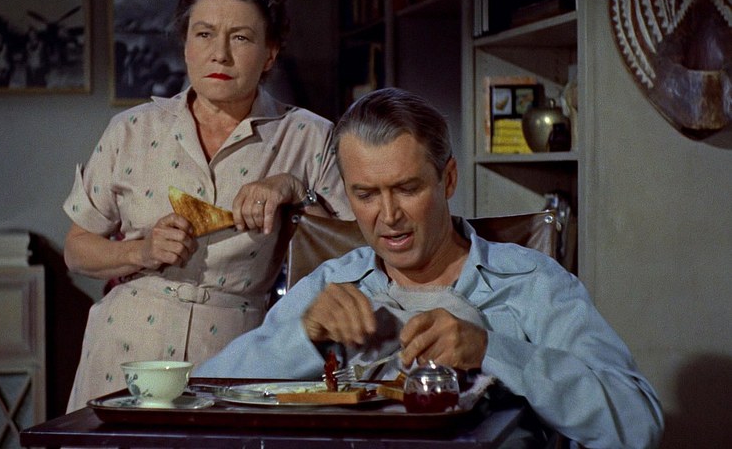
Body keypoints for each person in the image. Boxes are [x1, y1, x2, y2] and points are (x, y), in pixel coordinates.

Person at [196, 87, 664, 448]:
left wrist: (491, 350)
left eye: (407, 189)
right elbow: (201, 402)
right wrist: (302, 338)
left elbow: (637, 426)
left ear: (448, 179)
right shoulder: (333, 284)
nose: (388, 216)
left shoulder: (531, 282)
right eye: (365, 195)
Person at [62, 0, 352, 411]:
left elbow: (352, 256)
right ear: (185, 45)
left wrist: (295, 188)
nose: (220, 54)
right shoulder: (131, 130)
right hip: (124, 352)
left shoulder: (309, 136)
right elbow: (77, 250)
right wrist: (140, 251)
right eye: (204, 34)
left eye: (241, 37)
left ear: (270, 52)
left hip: (235, 358)